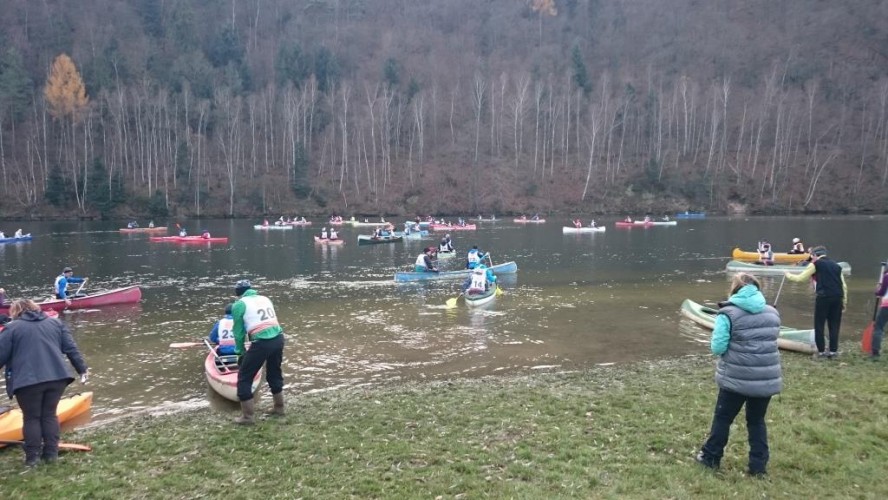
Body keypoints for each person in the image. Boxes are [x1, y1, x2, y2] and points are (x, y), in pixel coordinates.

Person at [695, 273, 782, 477]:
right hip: (765, 378)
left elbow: (717, 347)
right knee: (756, 421)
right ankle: (758, 467)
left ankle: (710, 458)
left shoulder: (727, 314)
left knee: (723, 418)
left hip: (735, 378)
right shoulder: (772, 313)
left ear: (735, 289)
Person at [0, 299, 88, 467]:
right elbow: (71, 348)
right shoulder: (56, 324)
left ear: (15, 312)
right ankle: (51, 454)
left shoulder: (11, 328)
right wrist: (82, 369)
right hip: (57, 377)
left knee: (32, 417)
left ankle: (32, 459)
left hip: (27, 381)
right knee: (49, 414)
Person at [231, 280, 285, 424]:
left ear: (237, 293)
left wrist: (240, 352)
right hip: (278, 338)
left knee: (244, 377)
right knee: (274, 372)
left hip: (262, 342)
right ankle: (279, 407)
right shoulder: (265, 298)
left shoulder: (239, 305)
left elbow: (238, 332)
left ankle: (247, 417)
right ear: (251, 289)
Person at [784, 246, 847, 359]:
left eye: (812, 256)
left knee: (819, 325)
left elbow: (800, 279)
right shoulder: (837, 266)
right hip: (838, 297)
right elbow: (844, 286)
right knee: (834, 325)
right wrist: (844, 301)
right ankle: (833, 352)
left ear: (814, 255)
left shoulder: (816, 264)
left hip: (823, 297)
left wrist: (787, 274)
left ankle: (821, 352)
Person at [871, 267, 888, 360]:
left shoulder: (886, 276)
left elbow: (881, 292)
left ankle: (875, 352)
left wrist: (877, 290)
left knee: (878, 327)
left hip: (886, 306)